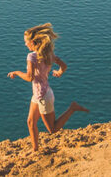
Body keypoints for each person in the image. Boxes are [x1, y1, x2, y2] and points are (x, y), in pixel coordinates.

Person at [5, 23, 88, 151]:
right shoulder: (48, 54)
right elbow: (64, 66)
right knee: (31, 122)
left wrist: (16, 72)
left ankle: (72, 108)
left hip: (43, 97)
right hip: (40, 94)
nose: (25, 44)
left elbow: (29, 77)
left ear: (33, 42)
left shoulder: (32, 56)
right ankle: (35, 150)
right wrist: (59, 72)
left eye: (26, 42)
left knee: (53, 129)